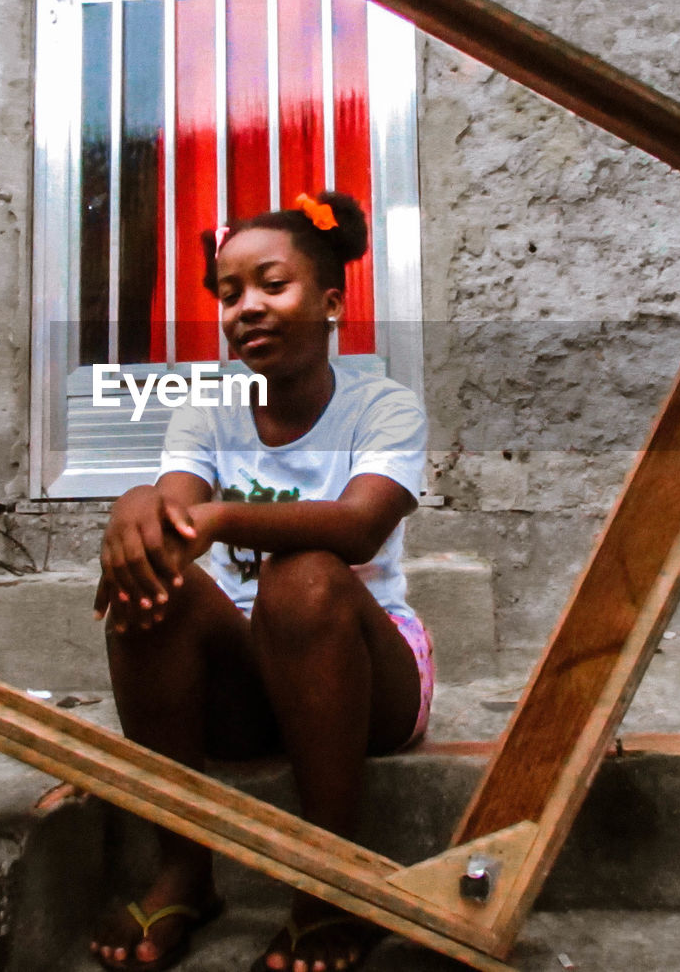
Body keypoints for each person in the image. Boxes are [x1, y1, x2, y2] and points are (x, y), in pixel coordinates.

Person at [89, 190, 432, 972]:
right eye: (229, 291)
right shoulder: (209, 410)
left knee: (304, 576)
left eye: (272, 284)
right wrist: (136, 507)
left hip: (368, 675)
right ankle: (184, 868)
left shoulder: (384, 408)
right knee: (152, 583)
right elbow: (173, 516)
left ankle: (328, 877)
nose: (247, 306)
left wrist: (221, 519)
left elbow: (357, 527)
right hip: (253, 683)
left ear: (332, 301)